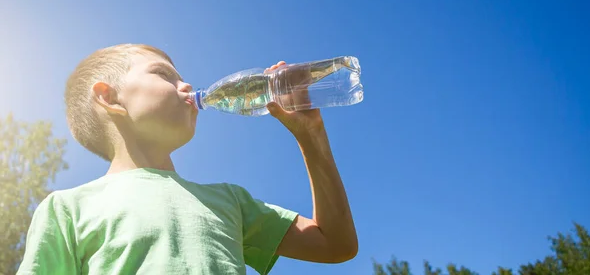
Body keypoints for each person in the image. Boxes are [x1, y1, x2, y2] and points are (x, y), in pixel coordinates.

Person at [17, 44, 358, 274]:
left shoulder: (230, 201)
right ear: (110, 98)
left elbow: (335, 243)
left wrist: (310, 136)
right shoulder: (67, 208)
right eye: (164, 75)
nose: (187, 85)